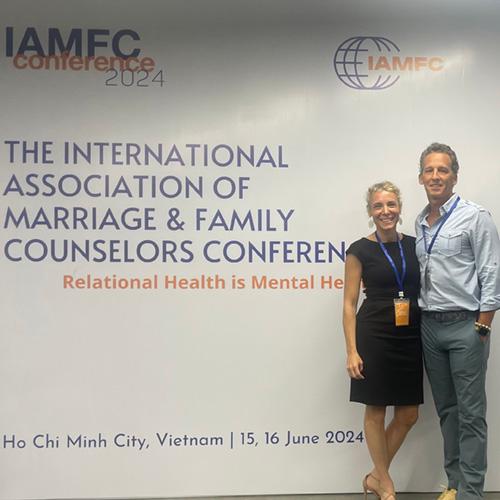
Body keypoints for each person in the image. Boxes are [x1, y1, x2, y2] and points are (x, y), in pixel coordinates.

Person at [415, 143, 500, 500]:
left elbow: (491, 272)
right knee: (448, 411)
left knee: (471, 414)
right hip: (430, 326)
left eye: (443, 170)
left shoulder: (475, 216)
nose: (436, 176)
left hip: (467, 325)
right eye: (429, 170)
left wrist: (483, 325)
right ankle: (454, 484)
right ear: (421, 177)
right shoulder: (420, 221)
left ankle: (472, 493)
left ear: (454, 176)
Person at [343, 181, 423, 500]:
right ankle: (386, 483)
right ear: (370, 211)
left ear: (399, 208)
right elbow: (349, 304)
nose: (385, 211)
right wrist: (352, 350)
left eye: (391, 204)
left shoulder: (415, 245)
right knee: (375, 410)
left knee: (408, 414)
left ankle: (375, 476)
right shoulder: (359, 250)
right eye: (378, 206)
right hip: (374, 334)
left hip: (410, 335)